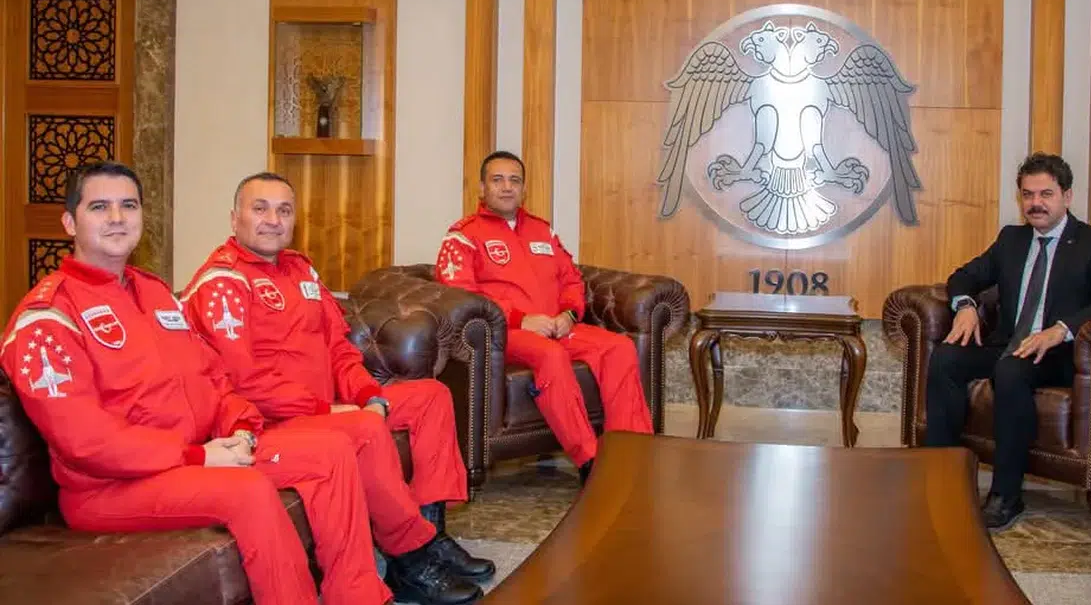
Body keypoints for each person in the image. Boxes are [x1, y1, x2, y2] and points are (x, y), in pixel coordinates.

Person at [0, 161, 397, 605]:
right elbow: (85, 441)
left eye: (128, 205)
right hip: (109, 488)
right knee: (248, 491)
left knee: (330, 452)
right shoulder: (46, 319)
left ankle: (359, 595)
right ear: (70, 223)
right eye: (99, 207)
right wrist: (197, 456)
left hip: (199, 453)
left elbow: (213, 375)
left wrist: (241, 428)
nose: (116, 218)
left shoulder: (155, 294)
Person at [180, 172, 493, 602]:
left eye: (284, 210)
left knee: (430, 397)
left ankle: (432, 537)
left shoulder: (301, 270)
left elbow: (338, 347)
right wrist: (329, 411)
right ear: (235, 219)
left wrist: (368, 395)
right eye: (260, 209)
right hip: (272, 421)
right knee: (364, 429)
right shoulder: (222, 283)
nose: (273, 220)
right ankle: (409, 557)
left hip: (326, 407)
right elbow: (244, 381)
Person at [924, 152, 1091, 531]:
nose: (1035, 203)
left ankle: (1006, 495)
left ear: (1067, 197)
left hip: (1058, 354)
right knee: (946, 359)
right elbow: (963, 276)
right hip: (1009, 343)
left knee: (1010, 371)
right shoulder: (1012, 239)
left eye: (1046, 194)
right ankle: (940, 478)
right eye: (1028, 195)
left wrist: (1061, 329)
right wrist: (966, 306)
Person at [435, 151, 654, 482]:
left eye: (515, 180)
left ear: (524, 190)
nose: (507, 187)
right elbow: (460, 296)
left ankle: (629, 454)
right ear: (481, 188)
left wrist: (569, 313)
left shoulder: (542, 231)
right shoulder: (463, 236)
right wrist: (520, 319)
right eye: (497, 180)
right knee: (550, 356)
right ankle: (589, 460)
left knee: (619, 348)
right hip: (507, 333)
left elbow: (572, 280)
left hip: (558, 325)